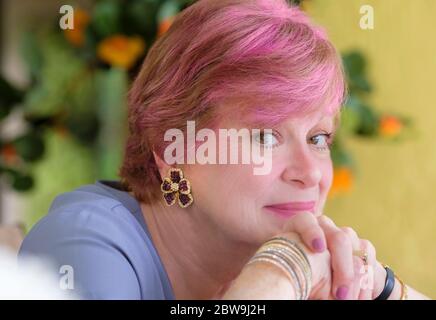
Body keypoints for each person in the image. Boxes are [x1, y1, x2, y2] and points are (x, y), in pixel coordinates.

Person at [19, 0, 429, 300]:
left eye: (318, 138)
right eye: (266, 136)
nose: (310, 172)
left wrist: (382, 290)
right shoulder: (82, 244)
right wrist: (281, 272)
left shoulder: (304, 273)